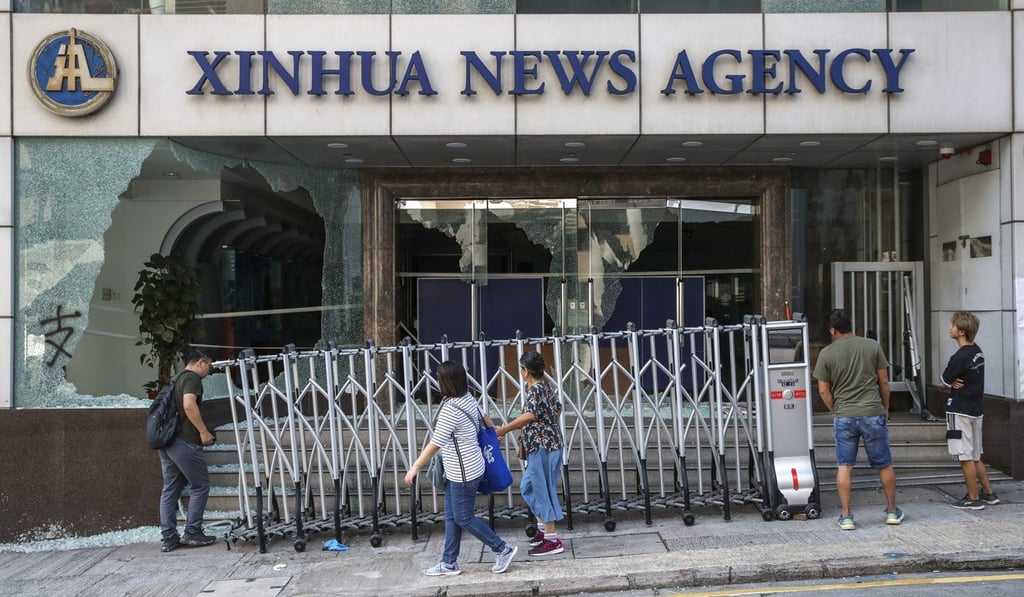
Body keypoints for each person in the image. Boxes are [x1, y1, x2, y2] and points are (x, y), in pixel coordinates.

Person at [404, 361, 518, 576]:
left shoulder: (450, 410)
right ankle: (449, 562)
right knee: (452, 516)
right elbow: (486, 419)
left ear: (445, 383)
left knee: (463, 517)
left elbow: (434, 444)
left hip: (463, 472)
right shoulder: (467, 400)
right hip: (466, 467)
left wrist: (414, 468)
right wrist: (494, 434)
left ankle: (503, 548)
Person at [813, 308, 903, 530]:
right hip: (872, 412)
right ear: (851, 324)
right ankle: (892, 511)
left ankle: (847, 516)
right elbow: (883, 381)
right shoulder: (871, 346)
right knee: (884, 464)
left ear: (832, 330)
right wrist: (885, 406)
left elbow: (823, 390)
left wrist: (835, 409)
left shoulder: (827, 353)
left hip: (845, 415)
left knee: (845, 466)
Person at [497, 351, 565, 556]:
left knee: (541, 490)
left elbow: (529, 415)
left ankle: (553, 540)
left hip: (543, 447)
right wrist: (547, 424)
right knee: (529, 487)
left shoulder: (536, 390)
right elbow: (558, 409)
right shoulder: (545, 387)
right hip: (548, 445)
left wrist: (505, 429)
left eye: (521, 369)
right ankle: (544, 531)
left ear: (525, 371)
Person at [159, 349, 218, 552]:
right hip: (185, 441)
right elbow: (189, 405)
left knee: (170, 489)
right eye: (209, 365)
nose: (209, 371)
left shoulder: (175, 379)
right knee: (200, 485)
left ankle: (169, 538)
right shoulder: (192, 379)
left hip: (167, 442)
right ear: (201, 362)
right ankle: (193, 532)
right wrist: (203, 431)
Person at [940, 311, 998, 510]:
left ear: (961, 331)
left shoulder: (959, 357)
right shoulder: (977, 351)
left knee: (964, 455)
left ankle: (973, 498)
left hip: (959, 411)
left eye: (953, 325)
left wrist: (949, 382)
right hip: (976, 410)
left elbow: (943, 381)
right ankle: (989, 493)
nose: (950, 328)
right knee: (975, 455)